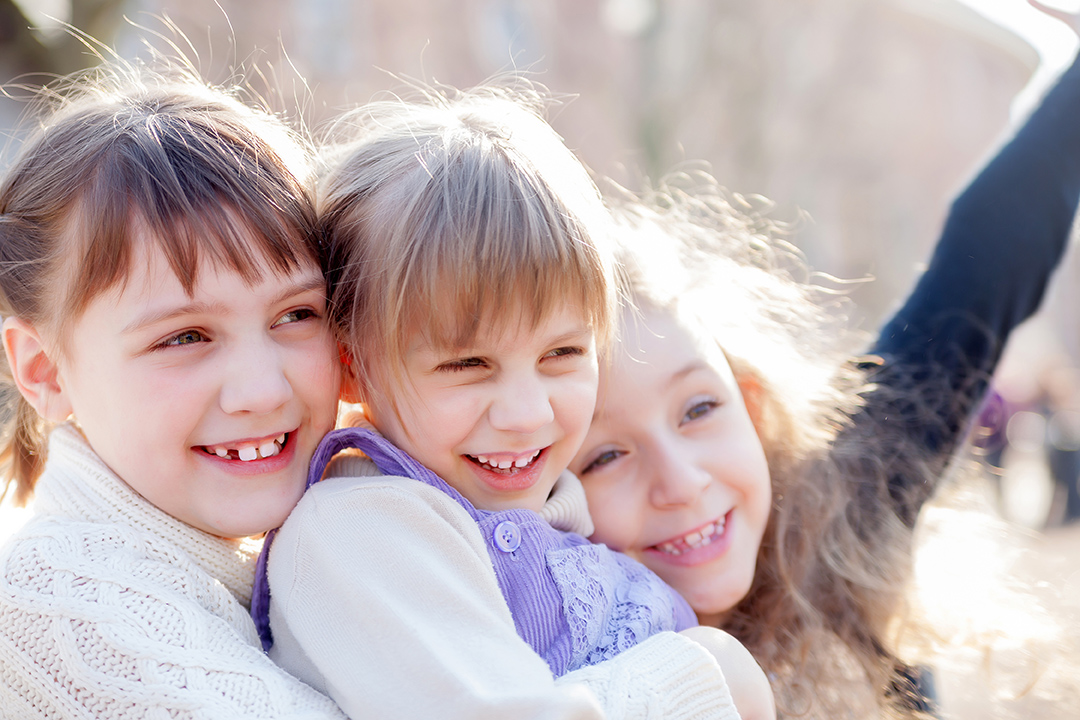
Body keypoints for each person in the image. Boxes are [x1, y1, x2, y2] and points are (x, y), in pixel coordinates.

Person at [568, 9, 1080, 719]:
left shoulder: (839, 500)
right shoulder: (541, 668)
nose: (681, 483)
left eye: (699, 408)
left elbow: (989, 255)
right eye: (604, 457)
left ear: (750, 404)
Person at [261, 87, 771, 720]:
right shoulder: (360, 530)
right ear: (350, 366)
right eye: (467, 365)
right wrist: (703, 677)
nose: (527, 413)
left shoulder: (557, 513)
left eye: (562, 354)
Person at [0, 60, 351, 717]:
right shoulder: (56, 600)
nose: (262, 390)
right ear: (45, 370)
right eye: (185, 337)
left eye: (297, 314)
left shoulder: (302, 552)